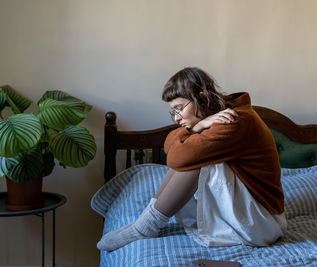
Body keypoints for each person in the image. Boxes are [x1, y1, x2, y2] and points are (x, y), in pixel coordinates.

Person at [97, 67, 286, 251]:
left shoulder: (233, 120)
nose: (177, 118)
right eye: (173, 111)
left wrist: (194, 131)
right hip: (257, 213)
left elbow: (177, 158)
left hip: (261, 223)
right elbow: (169, 147)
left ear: (202, 97)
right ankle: (146, 222)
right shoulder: (218, 115)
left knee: (194, 159)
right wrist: (197, 126)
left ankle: (146, 227)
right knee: (190, 152)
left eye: (179, 108)